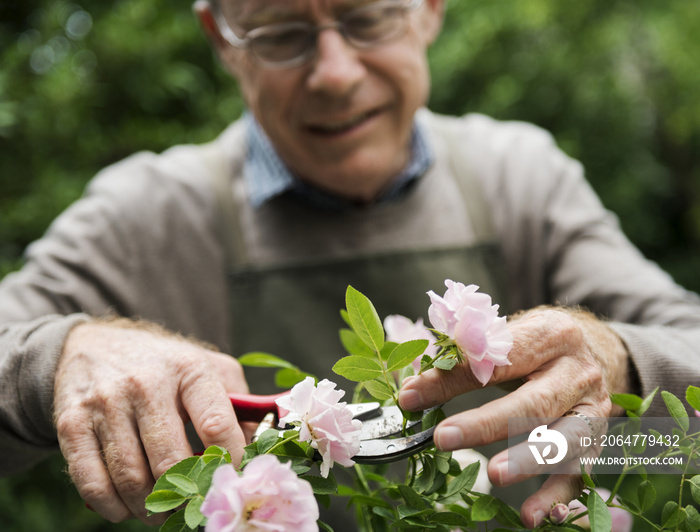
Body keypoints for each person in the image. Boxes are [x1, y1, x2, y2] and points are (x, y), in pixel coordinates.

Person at [0, 0, 699, 528]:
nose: (334, 75)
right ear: (224, 41)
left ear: (428, 10)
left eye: (366, 19)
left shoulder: (523, 182)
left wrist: (613, 381)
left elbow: (680, 441)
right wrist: (56, 361)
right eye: (281, 35)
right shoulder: (144, 217)